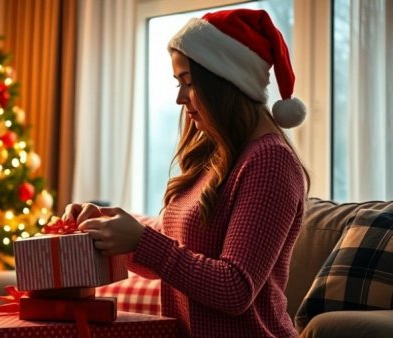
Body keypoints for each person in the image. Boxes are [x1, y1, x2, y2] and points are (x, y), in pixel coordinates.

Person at [62, 8, 310, 338]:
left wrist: (142, 241)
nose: (180, 98)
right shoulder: (214, 156)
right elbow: (175, 256)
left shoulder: (270, 162)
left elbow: (235, 289)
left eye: (189, 83)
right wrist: (108, 228)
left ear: (225, 83)